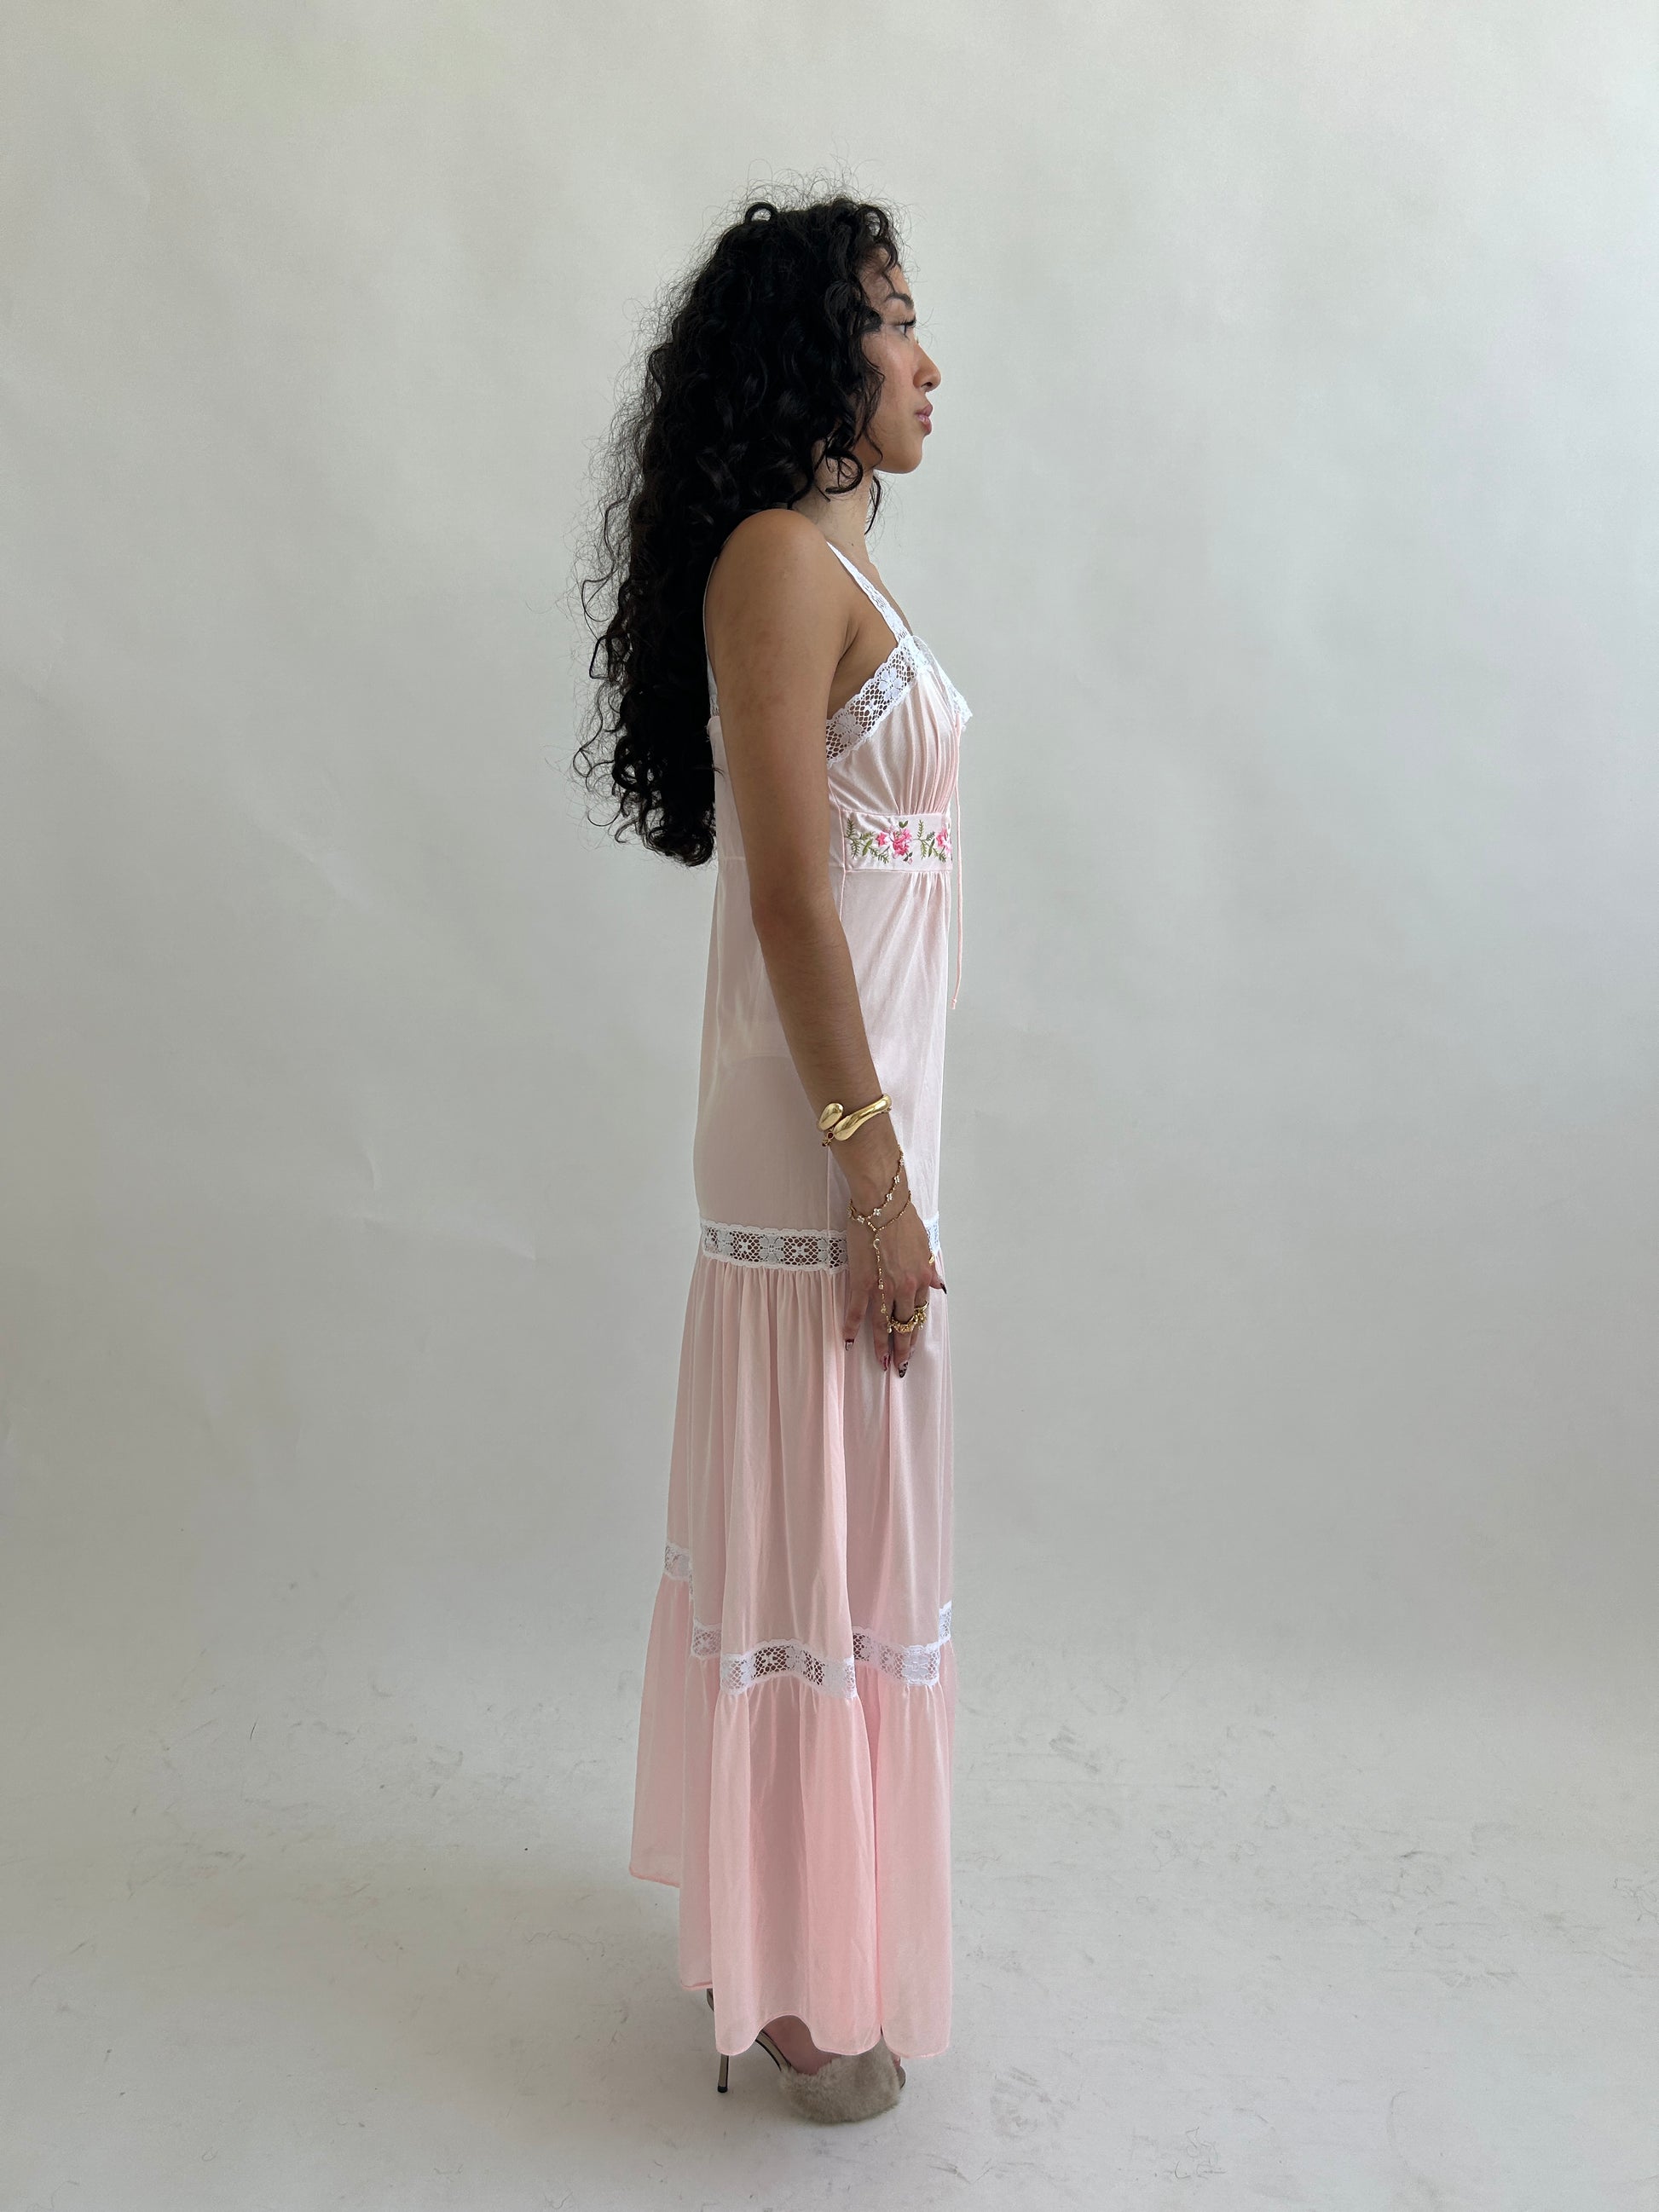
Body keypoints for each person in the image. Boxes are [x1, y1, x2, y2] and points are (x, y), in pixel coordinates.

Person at [577, 191, 970, 2124]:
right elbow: (796, 905)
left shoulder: (832, 557)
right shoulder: (774, 561)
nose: (925, 361)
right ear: (812, 352)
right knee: (816, 1531)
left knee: (852, 1526)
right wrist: (872, 1179)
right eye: (889, 319)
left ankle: (811, 1928)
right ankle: (795, 1983)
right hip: (821, 1142)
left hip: (862, 1128)